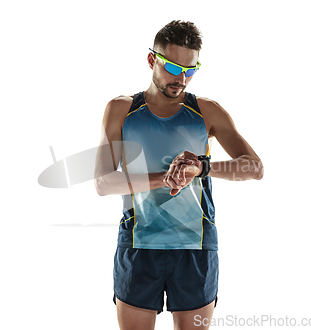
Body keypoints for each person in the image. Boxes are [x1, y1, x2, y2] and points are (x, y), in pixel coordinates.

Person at [94, 20, 264, 330]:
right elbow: (104, 183)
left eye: (191, 69)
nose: (182, 79)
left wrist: (203, 168)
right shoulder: (121, 110)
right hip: (138, 245)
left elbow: (254, 167)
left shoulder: (207, 111)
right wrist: (163, 178)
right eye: (173, 68)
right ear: (151, 60)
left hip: (195, 247)